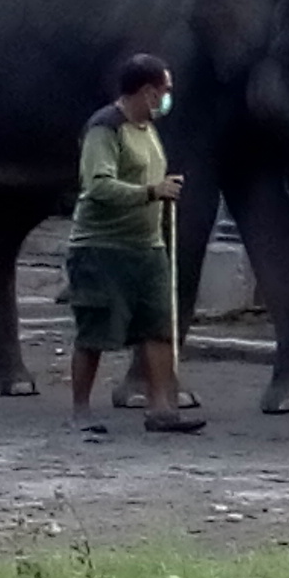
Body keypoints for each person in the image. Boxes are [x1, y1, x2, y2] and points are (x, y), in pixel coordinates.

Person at [66, 54, 203, 437]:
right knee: (95, 330)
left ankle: (162, 409)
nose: (167, 97)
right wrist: (150, 192)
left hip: (148, 246)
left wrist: (163, 188)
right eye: (165, 90)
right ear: (147, 91)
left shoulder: (146, 129)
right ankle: (80, 410)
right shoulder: (105, 128)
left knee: (158, 327)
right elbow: (98, 185)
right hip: (102, 248)